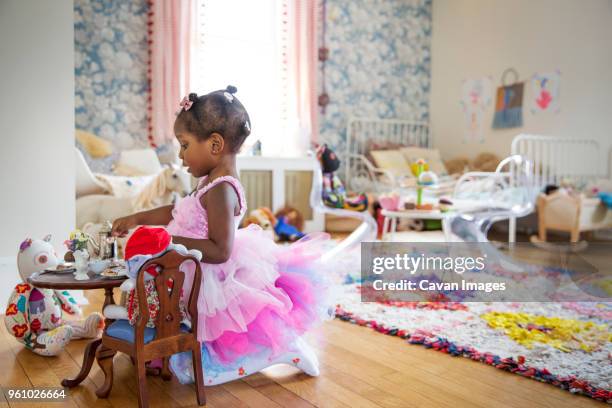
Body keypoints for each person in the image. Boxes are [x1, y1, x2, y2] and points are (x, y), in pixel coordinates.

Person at [111, 86, 330, 385]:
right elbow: (177, 212)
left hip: (210, 272)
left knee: (172, 297)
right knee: (153, 284)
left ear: (214, 144)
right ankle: (159, 345)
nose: (180, 154)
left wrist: (167, 242)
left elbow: (220, 250)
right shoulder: (207, 182)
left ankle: (273, 351)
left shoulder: (221, 189)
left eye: (185, 145)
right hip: (191, 264)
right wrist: (138, 219)